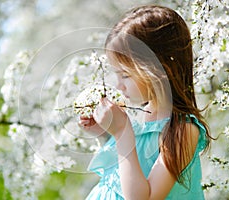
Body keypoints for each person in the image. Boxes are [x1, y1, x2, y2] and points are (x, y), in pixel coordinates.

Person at [79, 5, 212, 200]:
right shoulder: (138, 116)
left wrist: (123, 132)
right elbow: (122, 173)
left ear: (159, 68)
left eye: (125, 75)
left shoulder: (182, 130)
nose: (119, 86)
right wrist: (105, 134)